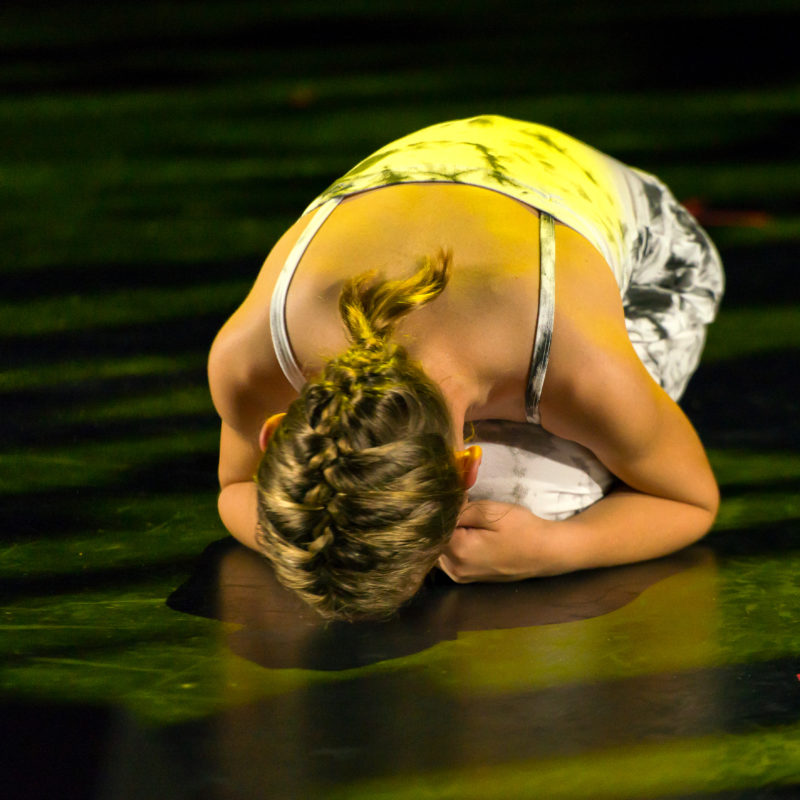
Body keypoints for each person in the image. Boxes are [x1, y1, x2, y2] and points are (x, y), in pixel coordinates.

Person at [208, 115, 724, 621]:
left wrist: (557, 546)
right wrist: (307, 538)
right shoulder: (249, 360)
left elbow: (690, 501)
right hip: (462, 161)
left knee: (518, 503)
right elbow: (236, 490)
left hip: (651, 250)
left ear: (466, 469)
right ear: (270, 432)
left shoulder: (578, 368)